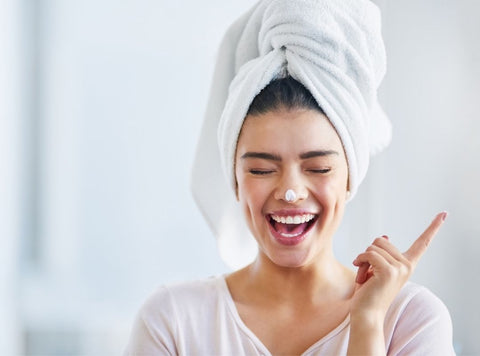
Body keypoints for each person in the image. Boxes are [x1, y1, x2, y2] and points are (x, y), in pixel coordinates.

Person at [124, 0, 455, 355]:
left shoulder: (410, 319)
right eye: (262, 170)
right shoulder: (173, 322)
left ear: (349, 176)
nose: (291, 192)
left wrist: (368, 323)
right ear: (235, 179)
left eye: (318, 168)